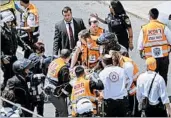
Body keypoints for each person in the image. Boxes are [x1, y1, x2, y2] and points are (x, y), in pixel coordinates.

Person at [137, 8, 171, 85]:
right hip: (164, 57)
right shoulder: (163, 27)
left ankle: (152, 94)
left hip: (151, 59)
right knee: (163, 77)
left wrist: (141, 53)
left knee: (151, 78)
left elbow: (139, 45)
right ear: (157, 16)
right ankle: (162, 93)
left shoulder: (144, 28)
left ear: (150, 16)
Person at [109, 50, 140, 116]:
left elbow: (131, 79)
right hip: (126, 88)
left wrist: (125, 89)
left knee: (133, 110)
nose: (112, 62)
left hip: (133, 88)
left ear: (116, 55)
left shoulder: (127, 64)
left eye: (113, 60)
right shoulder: (119, 61)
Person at [44, 49, 72, 117]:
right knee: (63, 113)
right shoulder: (63, 68)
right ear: (68, 57)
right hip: (55, 93)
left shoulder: (54, 61)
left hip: (48, 87)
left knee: (59, 111)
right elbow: (65, 84)